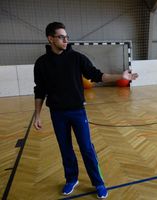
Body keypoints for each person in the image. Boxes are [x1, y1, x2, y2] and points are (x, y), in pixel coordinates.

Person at [33, 22, 138, 199]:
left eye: (66, 36)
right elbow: (40, 90)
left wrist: (121, 76)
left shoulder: (77, 58)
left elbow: (97, 75)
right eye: (61, 37)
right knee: (65, 148)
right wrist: (37, 114)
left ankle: (98, 182)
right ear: (50, 39)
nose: (66, 40)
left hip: (77, 112)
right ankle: (71, 178)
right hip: (57, 113)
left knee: (86, 148)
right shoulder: (41, 63)